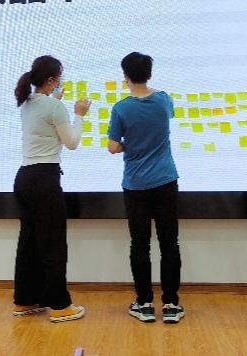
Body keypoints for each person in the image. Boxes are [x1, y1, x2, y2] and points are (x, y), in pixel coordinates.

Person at [12, 54, 91, 323]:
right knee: (53, 244)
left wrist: (55, 100)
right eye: (60, 76)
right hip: (44, 180)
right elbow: (72, 142)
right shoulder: (54, 107)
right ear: (51, 79)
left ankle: (24, 300)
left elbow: (44, 120)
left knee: (29, 243)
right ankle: (59, 306)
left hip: (24, 178)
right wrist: (79, 115)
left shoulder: (28, 102)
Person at [107, 52, 184, 324]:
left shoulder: (120, 108)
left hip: (136, 184)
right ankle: (171, 304)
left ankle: (144, 303)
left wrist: (129, 145)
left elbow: (113, 146)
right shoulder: (164, 100)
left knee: (140, 244)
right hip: (165, 180)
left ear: (125, 76)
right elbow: (165, 120)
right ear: (149, 74)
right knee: (169, 242)